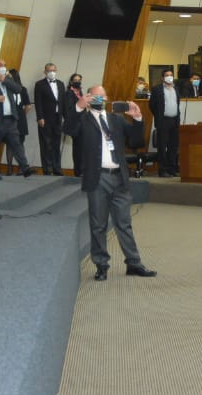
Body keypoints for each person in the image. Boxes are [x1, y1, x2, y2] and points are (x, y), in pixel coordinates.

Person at [64, 84, 157, 281]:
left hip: (120, 177)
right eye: (95, 97)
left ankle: (134, 263)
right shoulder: (83, 120)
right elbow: (68, 129)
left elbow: (136, 141)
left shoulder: (116, 119)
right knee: (98, 224)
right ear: (88, 98)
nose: (100, 100)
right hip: (98, 178)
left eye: (102, 96)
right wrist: (78, 107)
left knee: (124, 223)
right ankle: (101, 265)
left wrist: (138, 118)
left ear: (107, 98)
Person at [34, 62, 67, 175]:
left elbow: (63, 102)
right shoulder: (39, 84)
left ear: (56, 70)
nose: (51, 72)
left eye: (53, 70)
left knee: (56, 145)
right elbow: (38, 102)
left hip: (58, 119)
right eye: (49, 70)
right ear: (45, 72)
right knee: (46, 145)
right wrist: (40, 117)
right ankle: (47, 170)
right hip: (45, 119)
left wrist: (66, 118)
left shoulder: (61, 84)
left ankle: (57, 169)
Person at [149, 68, 182, 177]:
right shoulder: (157, 89)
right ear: (162, 78)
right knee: (162, 147)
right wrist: (159, 116)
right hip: (163, 121)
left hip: (174, 120)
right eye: (167, 75)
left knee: (173, 146)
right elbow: (152, 105)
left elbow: (177, 103)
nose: (170, 77)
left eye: (171, 75)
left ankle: (172, 168)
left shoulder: (176, 88)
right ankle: (162, 170)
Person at [8, 68, 32, 174]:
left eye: (9, 76)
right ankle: (9, 168)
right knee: (9, 143)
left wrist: (21, 115)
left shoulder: (23, 89)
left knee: (20, 144)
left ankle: (22, 168)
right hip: (9, 119)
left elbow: (28, 106)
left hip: (20, 119)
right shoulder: (5, 89)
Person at [67, 72, 85, 176]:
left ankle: (81, 170)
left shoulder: (80, 92)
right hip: (75, 125)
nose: (78, 82)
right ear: (71, 82)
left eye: (79, 80)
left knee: (82, 149)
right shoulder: (69, 93)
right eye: (75, 80)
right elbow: (70, 109)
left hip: (82, 124)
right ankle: (78, 172)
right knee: (77, 149)